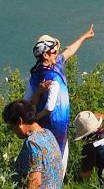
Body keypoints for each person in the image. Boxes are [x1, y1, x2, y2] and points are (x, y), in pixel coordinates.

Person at [25, 26, 95, 166]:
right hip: (50, 126)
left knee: (57, 160)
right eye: (54, 51)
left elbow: (70, 51)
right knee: (53, 161)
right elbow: (28, 104)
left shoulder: (55, 64)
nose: (57, 53)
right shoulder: (39, 77)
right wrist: (39, 97)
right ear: (45, 55)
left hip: (61, 125)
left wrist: (84, 36)